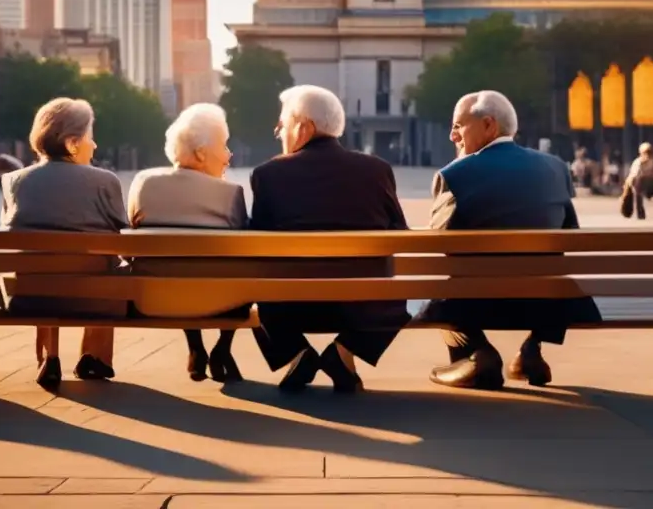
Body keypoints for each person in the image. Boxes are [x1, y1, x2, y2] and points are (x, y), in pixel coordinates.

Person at [417, 91, 600, 391]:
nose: (452, 136)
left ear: (489, 125)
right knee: (556, 278)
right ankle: (531, 350)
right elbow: (569, 237)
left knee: (445, 291)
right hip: (549, 303)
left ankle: (478, 353)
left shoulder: (454, 175)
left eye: (458, 126)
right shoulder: (556, 168)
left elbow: (436, 247)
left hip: (478, 304)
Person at [250, 84, 409, 393]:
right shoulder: (377, 170)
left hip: (290, 306)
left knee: (259, 291)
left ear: (305, 127)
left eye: (282, 126)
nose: (279, 133)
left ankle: (297, 353)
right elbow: (399, 234)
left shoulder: (268, 174)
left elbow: (257, 242)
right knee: (396, 299)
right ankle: (344, 353)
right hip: (364, 306)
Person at [0, 97, 129, 389]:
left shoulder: (12, 181)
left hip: (29, 297)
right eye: (90, 137)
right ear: (72, 142)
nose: (94, 146)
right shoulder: (104, 181)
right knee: (108, 267)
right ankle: (94, 355)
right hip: (93, 299)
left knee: (38, 263)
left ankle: (50, 355)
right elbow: (123, 239)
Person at [127, 103, 248, 383]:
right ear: (202, 152)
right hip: (223, 302)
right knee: (239, 269)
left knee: (176, 268)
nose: (228, 156)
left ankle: (196, 348)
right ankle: (223, 347)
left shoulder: (142, 182)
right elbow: (244, 250)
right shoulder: (230, 193)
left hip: (156, 298)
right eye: (224, 145)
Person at [625, 142, 653, 220]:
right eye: (646, 153)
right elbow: (634, 175)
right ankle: (639, 212)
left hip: (647, 182)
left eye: (649, 153)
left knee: (642, 187)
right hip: (636, 181)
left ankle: (649, 193)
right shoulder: (638, 162)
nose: (648, 155)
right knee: (637, 194)